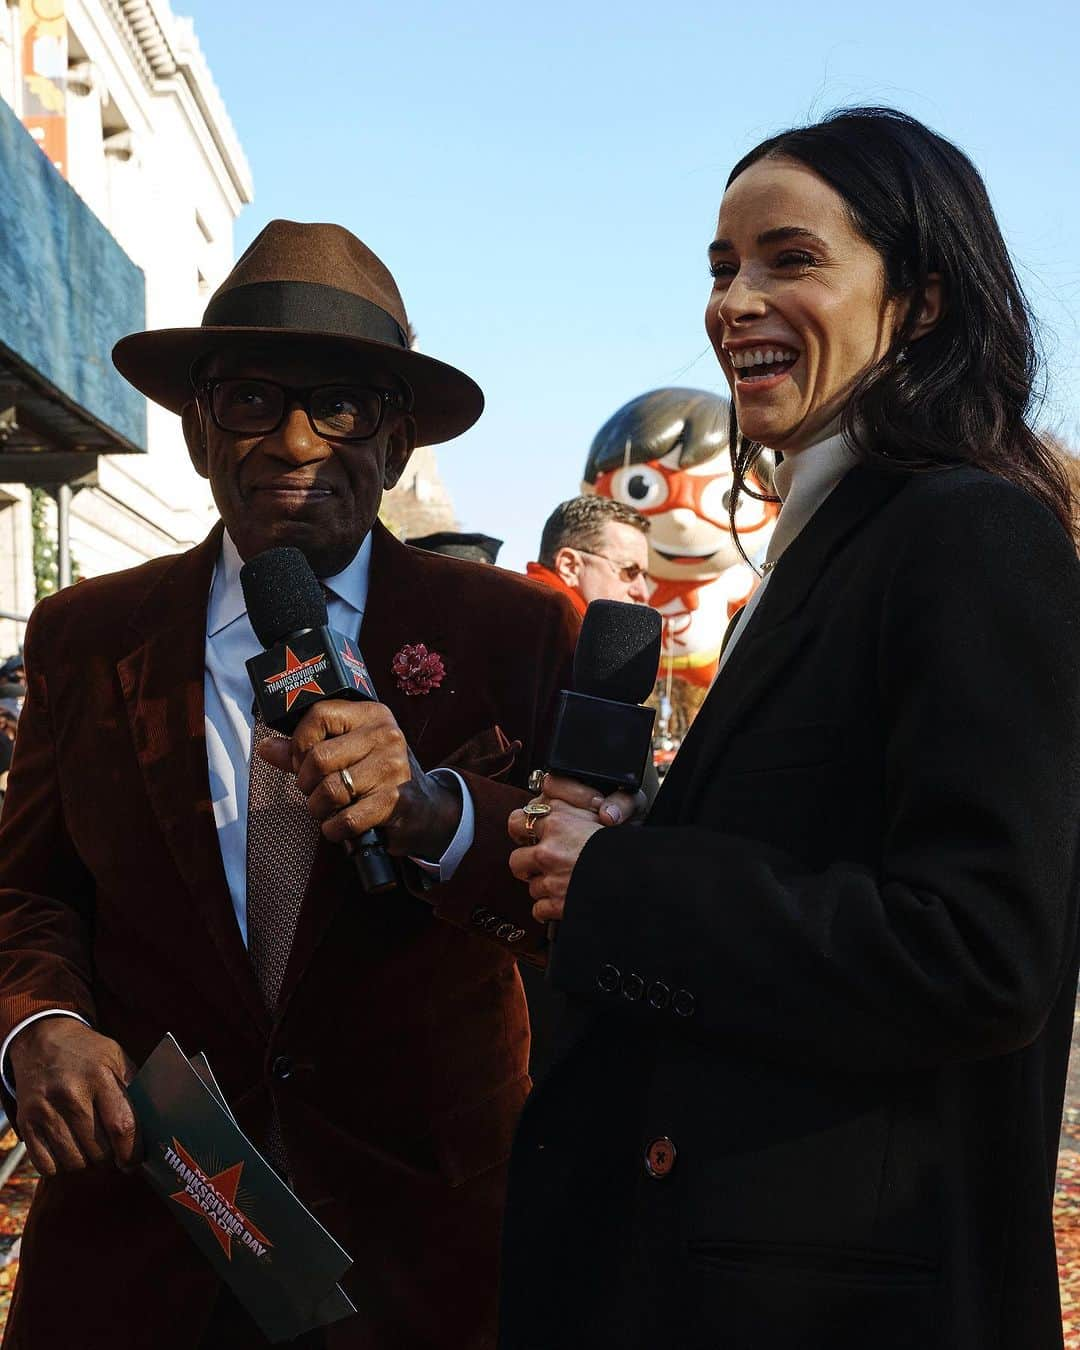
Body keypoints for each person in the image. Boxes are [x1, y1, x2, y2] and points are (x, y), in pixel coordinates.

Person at [498, 108, 1080, 1350]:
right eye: (721, 267)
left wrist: (626, 879)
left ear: (920, 302)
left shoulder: (971, 532)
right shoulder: (839, 540)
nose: (733, 301)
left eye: (789, 259)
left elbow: (980, 952)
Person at [0, 220, 581, 1350]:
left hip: (427, 1252)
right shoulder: (86, 636)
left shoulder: (515, 633)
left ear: (400, 440)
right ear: (197, 429)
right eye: (253, 400)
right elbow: (27, 892)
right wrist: (41, 1029)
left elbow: (585, 904)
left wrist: (437, 818)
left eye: (343, 405)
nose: (294, 440)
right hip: (144, 1239)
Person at [526, 495, 650, 613]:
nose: (643, 593)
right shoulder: (544, 626)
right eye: (630, 571)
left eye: (644, 576)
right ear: (569, 567)